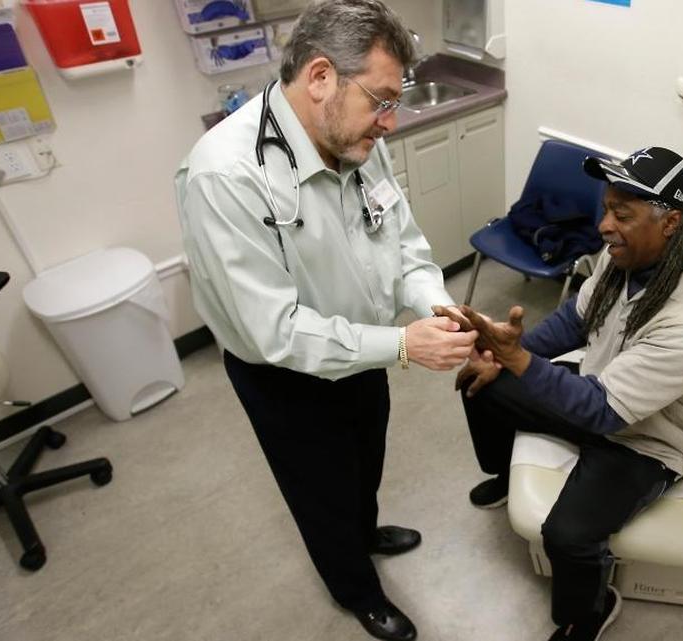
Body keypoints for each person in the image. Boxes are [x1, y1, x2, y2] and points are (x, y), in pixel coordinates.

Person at [174, 2, 477, 639]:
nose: (390, 123)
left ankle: (362, 532)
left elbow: (405, 245)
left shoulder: (359, 139)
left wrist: (437, 308)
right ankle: (354, 587)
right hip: (285, 376)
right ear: (320, 78)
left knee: (365, 458)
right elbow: (274, 330)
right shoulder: (225, 175)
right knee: (318, 490)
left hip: (367, 352)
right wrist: (401, 344)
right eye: (382, 99)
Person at [440, 146, 683, 641]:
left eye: (621, 215)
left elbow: (601, 413)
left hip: (644, 441)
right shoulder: (622, 254)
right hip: (596, 389)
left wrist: (520, 363)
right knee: (482, 385)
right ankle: (502, 472)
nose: (604, 225)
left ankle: (590, 611)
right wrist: (504, 354)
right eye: (606, 209)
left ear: (670, 224)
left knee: (566, 537)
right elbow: (575, 320)